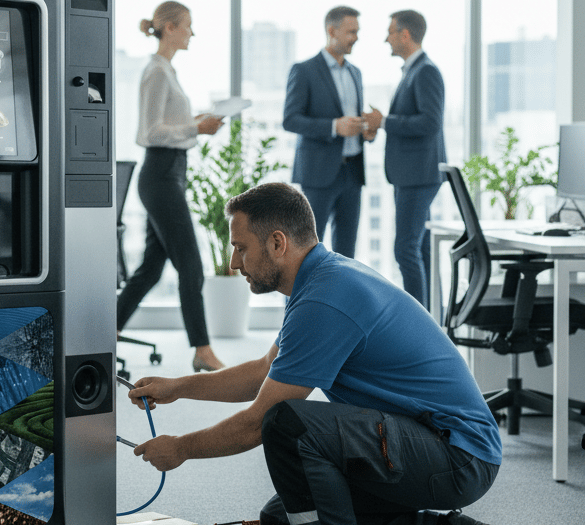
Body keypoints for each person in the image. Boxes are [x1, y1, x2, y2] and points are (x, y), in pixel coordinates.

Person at [128, 182, 501, 525]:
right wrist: (178, 386)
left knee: (287, 424)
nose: (234, 263)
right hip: (424, 442)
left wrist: (181, 449)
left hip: (458, 454)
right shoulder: (318, 279)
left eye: (241, 247)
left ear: (277, 243)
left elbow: (259, 422)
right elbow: (264, 370)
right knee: (281, 517)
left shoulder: (327, 298)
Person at [117, 1, 226, 372]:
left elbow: (168, 124)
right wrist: (197, 127)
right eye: (188, 26)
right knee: (191, 265)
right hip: (161, 175)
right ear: (169, 28)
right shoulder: (157, 72)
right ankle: (202, 349)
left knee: (151, 267)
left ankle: (105, 328)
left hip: (171, 173)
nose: (192, 33)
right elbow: (149, 133)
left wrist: (199, 121)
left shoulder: (168, 71)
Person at [363, 10, 446, 310]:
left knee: (406, 250)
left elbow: (429, 123)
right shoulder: (413, 70)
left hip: (418, 176)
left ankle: (417, 324)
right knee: (421, 249)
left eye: (390, 32)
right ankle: (430, 321)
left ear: (405, 34)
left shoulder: (425, 71)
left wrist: (384, 121)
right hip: (410, 175)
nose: (387, 38)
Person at [282, 6, 374, 259]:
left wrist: (366, 130)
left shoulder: (356, 73)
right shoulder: (304, 70)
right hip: (318, 174)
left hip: (353, 173)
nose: (355, 37)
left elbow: (352, 119)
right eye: (350, 31)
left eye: (357, 31)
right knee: (305, 251)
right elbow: (290, 120)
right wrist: (335, 126)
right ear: (331, 30)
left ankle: (339, 300)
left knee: (347, 254)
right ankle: (299, 300)